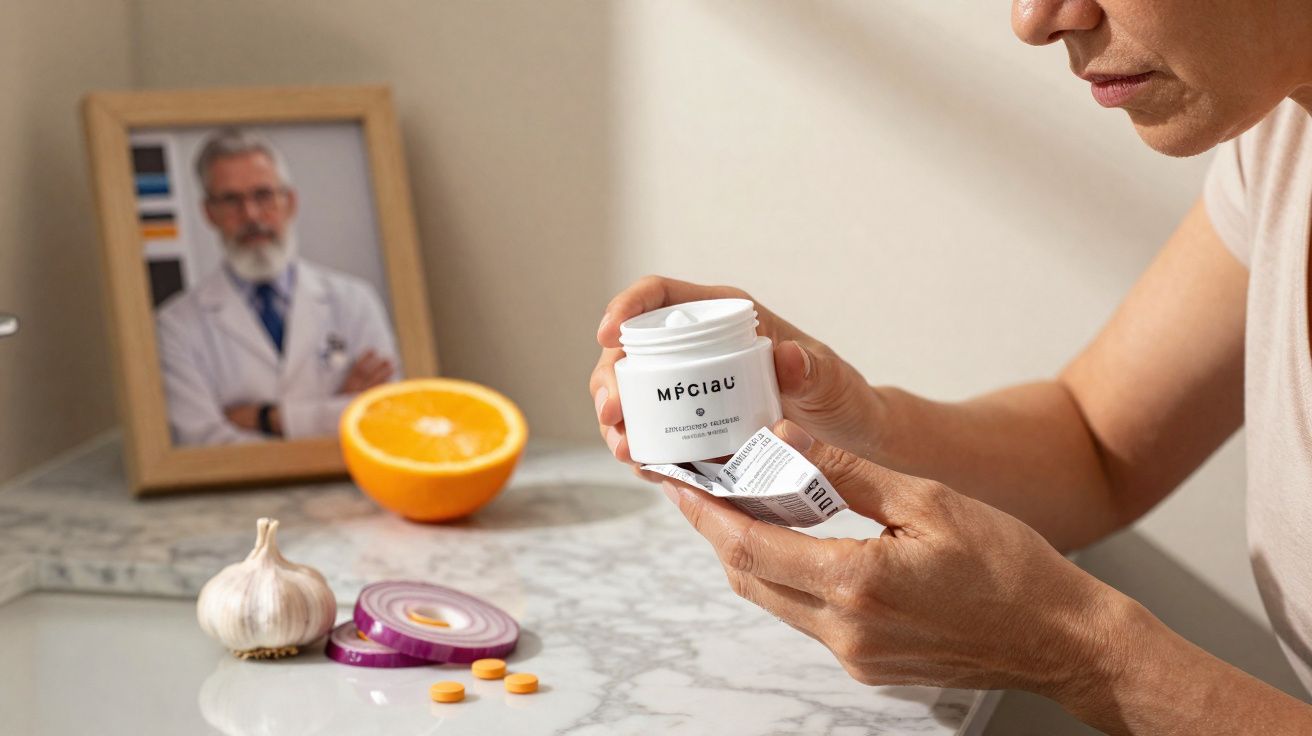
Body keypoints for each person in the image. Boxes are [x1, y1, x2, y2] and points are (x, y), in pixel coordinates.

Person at [591, 1, 1312, 732]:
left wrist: (1081, 653)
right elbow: (1096, 449)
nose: (1034, 20)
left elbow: (1086, 577)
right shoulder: (1282, 139)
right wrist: (844, 412)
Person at [156, 129, 399, 446]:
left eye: (263, 195)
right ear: (209, 214)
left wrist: (266, 418)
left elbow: (387, 415)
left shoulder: (355, 301)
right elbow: (203, 443)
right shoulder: (176, 325)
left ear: (290, 203)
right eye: (231, 200)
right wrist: (336, 411)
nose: (251, 215)